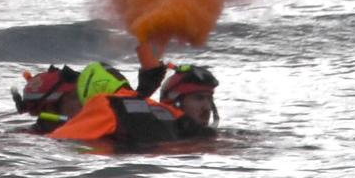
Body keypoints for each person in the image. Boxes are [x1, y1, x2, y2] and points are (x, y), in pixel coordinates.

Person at [24, 59, 218, 148]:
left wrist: (43, 141)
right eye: (199, 98)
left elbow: (62, 139)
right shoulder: (164, 109)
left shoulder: (104, 105)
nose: (207, 107)